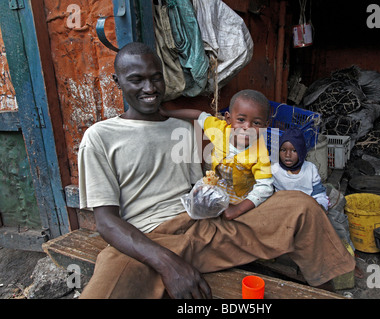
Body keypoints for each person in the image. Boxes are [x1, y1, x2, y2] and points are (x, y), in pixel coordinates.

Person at [78, 42, 355, 299]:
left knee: (301, 206)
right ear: (117, 82)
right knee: (105, 290)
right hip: (147, 242)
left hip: (204, 227)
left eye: (156, 77)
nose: (150, 88)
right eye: (137, 80)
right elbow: (106, 222)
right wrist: (168, 263)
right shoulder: (101, 137)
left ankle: (328, 292)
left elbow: (194, 186)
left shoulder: (179, 128)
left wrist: (219, 200)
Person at [159, 89, 274, 220]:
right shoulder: (219, 130)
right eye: (241, 120)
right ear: (228, 119)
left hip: (239, 195)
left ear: (266, 125)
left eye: (257, 123)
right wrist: (166, 112)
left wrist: (237, 209)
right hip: (214, 183)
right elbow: (199, 115)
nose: (247, 126)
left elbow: (265, 186)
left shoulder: (260, 152)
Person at [272, 128, 329, 211]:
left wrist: (321, 206)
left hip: (306, 208)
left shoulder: (310, 169)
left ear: (301, 152)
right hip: (283, 208)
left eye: (294, 151)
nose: (288, 155)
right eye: (283, 150)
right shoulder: (274, 169)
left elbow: (319, 193)